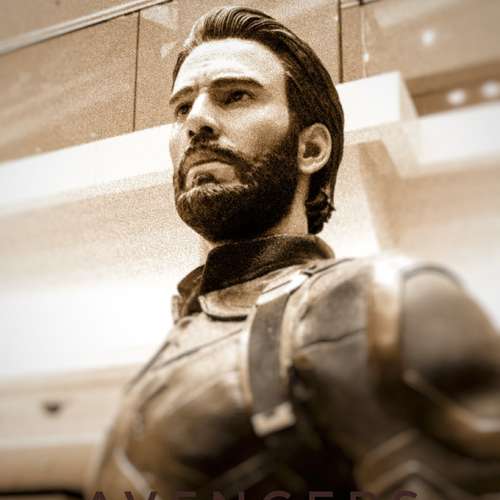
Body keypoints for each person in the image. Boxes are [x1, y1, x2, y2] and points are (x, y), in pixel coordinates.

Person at [89, 6, 500, 500]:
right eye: (181, 108)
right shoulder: (182, 335)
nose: (196, 121)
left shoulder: (385, 307)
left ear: (310, 149)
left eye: (235, 96)